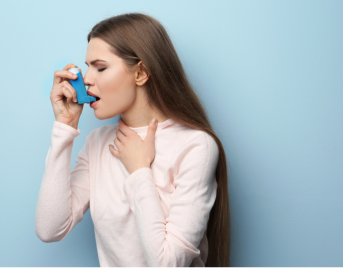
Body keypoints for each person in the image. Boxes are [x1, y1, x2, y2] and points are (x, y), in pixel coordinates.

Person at [35, 13, 230, 267]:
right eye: (87, 67)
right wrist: (65, 127)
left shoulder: (196, 146)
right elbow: (50, 228)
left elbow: (167, 264)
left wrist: (139, 171)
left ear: (140, 74)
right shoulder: (97, 143)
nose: (87, 78)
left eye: (100, 67)